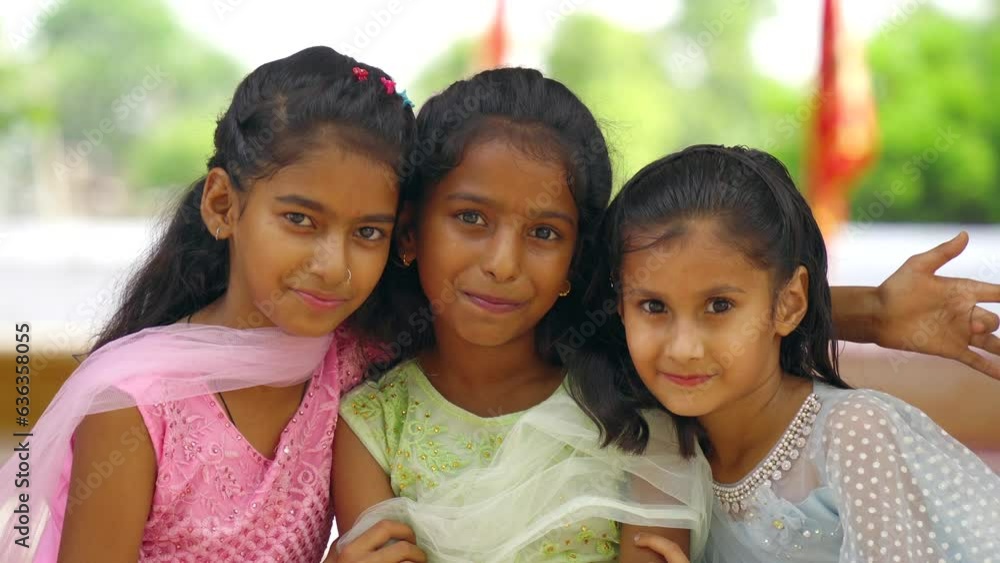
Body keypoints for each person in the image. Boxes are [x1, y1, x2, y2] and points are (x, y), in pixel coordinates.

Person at [0, 46, 422, 563]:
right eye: (300, 220)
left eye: (368, 232)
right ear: (224, 206)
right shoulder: (135, 407)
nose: (334, 265)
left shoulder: (358, 364)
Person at [569, 144, 1000, 562]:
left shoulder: (852, 433)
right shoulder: (659, 447)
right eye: (653, 306)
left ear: (789, 302)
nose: (684, 348)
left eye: (720, 306)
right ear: (621, 309)